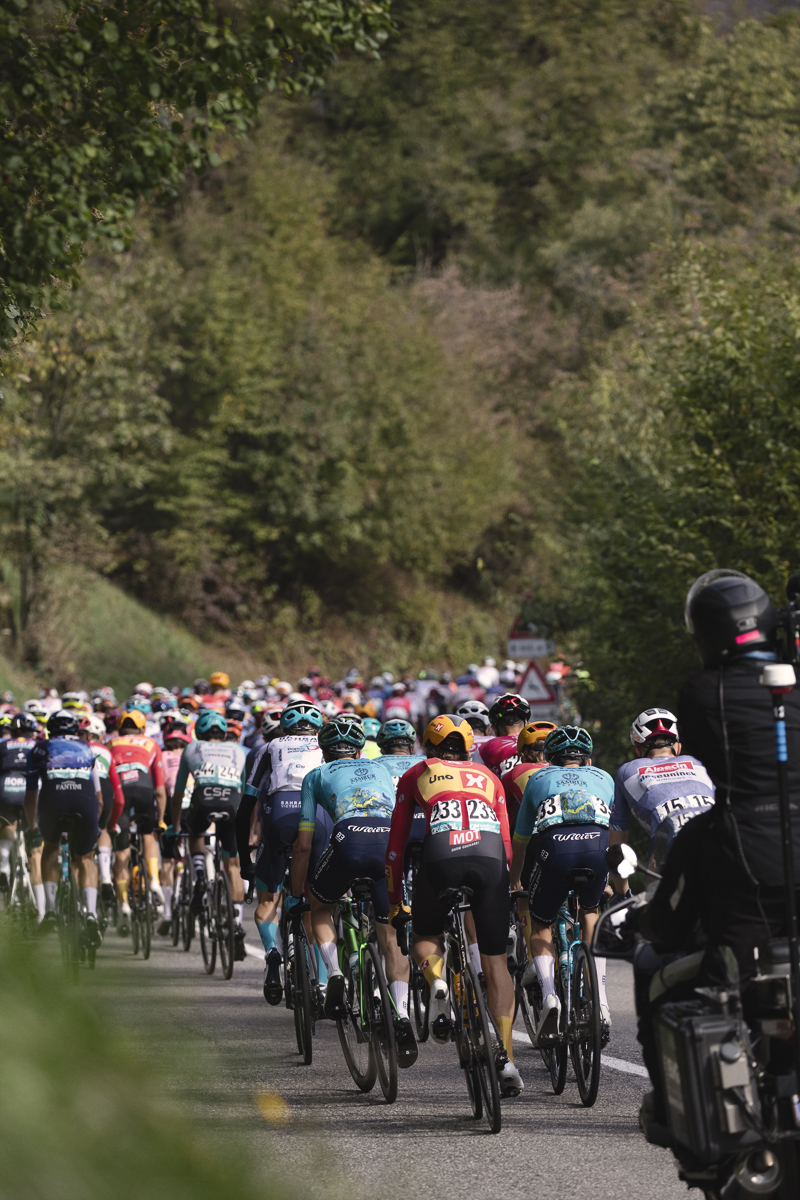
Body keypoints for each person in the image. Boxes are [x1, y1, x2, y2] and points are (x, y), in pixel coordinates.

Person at [385, 714, 523, 1096]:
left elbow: (396, 848)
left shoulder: (417, 773)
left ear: (428, 745)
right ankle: (507, 1056)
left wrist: (397, 902)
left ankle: (438, 981)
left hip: (441, 855)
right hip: (490, 857)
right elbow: (508, 845)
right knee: (495, 962)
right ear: (467, 747)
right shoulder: (489, 777)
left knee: (425, 934)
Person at [288, 719, 418, 1064]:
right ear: (360, 751)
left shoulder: (316, 776)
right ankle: (403, 1015)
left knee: (319, 906)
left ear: (324, 752)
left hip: (349, 839)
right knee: (389, 934)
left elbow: (303, 844)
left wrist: (299, 889)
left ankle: (333, 972)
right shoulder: (377, 768)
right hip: (388, 843)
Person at [509, 725, 613, 1035]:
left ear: (550, 759)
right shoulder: (604, 777)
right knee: (592, 909)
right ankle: (602, 1002)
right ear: (588, 760)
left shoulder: (537, 777)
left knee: (542, 922)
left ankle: (550, 996)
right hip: (598, 846)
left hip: (554, 849)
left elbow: (521, 840)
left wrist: (516, 880)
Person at [235, 701, 329, 1004]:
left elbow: (246, 807)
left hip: (279, 819)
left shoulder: (268, 746)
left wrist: (244, 862)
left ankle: (273, 954)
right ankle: (326, 980)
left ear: (284, 726)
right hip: (318, 820)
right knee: (318, 907)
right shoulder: (326, 745)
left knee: (267, 900)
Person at [170, 710, 248, 958]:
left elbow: (179, 792)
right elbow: (246, 792)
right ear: (224, 733)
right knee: (233, 864)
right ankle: (236, 925)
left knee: (195, 834)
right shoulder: (238, 750)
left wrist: (174, 826)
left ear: (200, 733)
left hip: (203, 801)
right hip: (232, 803)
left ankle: (200, 875)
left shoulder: (191, 748)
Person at [23, 709, 103, 945]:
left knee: (50, 848)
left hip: (53, 799)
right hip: (85, 800)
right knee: (86, 857)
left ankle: (50, 911)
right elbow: (99, 798)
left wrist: (32, 827)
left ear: (50, 730)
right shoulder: (87, 747)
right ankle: (90, 913)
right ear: (75, 730)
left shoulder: (39, 747)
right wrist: (94, 827)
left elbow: (31, 794)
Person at [609, 708, 714, 881]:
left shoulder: (627, 771)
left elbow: (617, 847)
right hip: (722, 838)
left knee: (656, 896)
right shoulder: (700, 764)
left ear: (638, 750)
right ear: (678, 746)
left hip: (672, 847)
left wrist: (622, 893)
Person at [107, 708, 167, 935]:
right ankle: (153, 881)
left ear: (120, 728)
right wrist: (160, 820)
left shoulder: (111, 744)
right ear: (142, 729)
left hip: (120, 792)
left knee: (122, 853)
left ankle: (123, 903)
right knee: (148, 834)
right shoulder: (151, 744)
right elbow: (160, 790)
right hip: (144, 789)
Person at [0, 711, 45, 918]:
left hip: (6, 788)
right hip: (31, 791)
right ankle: (43, 910)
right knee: (36, 850)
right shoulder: (39, 746)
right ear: (32, 731)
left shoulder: (3, 744)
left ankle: (3, 862)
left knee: (7, 825)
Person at [78, 713, 125, 908]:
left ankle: (78, 898)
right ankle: (106, 876)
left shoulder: (75, 748)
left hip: (79, 788)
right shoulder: (106, 751)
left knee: (80, 843)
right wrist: (113, 822)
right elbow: (119, 796)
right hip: (104, 788)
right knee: (103, 829)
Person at [475, 693, 532, 777]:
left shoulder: (483, 749)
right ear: (527, 725)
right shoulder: (539, 743)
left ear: (494, 729)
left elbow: (477, 780)